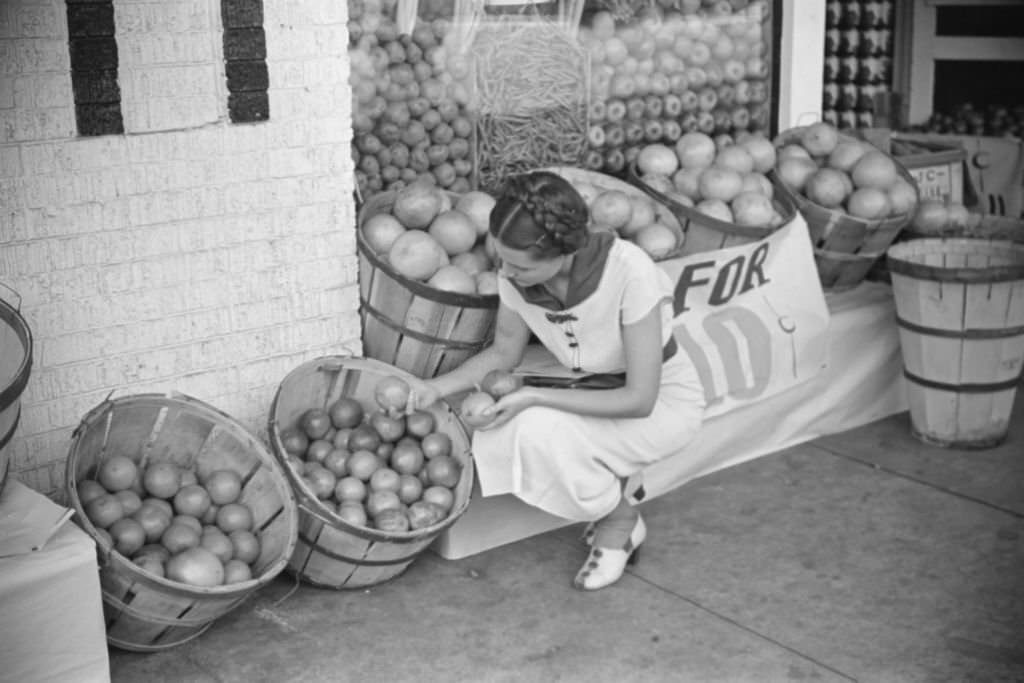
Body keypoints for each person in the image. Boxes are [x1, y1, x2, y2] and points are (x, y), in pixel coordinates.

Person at [405, 170, 706, 590]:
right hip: (589, 387)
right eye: (500, 259)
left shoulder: (628, 271)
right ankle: (612, 504)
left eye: (520, 264)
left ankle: (618, 522)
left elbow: (640, 399)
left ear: (564, 251)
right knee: (512, 428)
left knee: (537, 426)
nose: (506, 275)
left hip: (663, 402)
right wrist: (434, 388)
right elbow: (503, 354)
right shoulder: (517, 279)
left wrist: (535, 396)